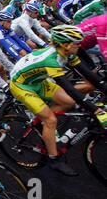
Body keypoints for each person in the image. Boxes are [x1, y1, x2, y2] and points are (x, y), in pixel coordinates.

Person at [9, 25, 107, 176]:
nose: (80, 45)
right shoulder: (51, 60)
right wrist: (95, 109)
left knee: (69, 102)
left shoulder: (68, 53)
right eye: (77, 43)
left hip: (38, 81)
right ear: (65, 44)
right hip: (21, 85)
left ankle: (44, 123)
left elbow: (91, 76)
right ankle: (53, 158)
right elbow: (70, 89)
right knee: (51, 120)